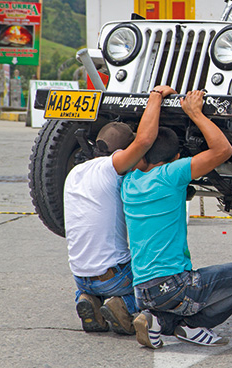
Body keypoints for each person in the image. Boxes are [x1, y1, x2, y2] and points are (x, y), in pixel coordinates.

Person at [123, 90, 232, 349]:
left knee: (182, 288)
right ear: (176, 158)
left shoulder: (129, 181)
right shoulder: (172, 174)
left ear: (142, 159)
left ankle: (158, 321)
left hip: (142, 291)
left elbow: (143, 140)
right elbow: (223, 150)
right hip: (174, 287)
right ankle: (193, 325)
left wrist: (155, 97)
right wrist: (195, 113)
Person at [64, 84, 176, 335]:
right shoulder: (110, 167)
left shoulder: (74, 173)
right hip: (113, 277)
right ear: (122, 152)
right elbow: (145, 141)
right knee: (167, 281)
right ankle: (123, 304)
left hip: (80, 276)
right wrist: (156, 96)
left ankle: (88, 299)